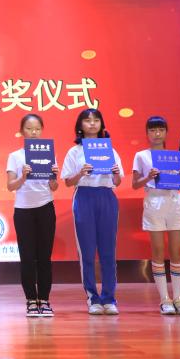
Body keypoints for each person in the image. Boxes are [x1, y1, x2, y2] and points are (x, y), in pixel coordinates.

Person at [61, 108, 123, 315]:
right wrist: (81, 173)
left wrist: (115, 173)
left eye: (96, 120)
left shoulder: (110, 150)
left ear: (101, 124)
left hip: (106, 197)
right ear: (80, 125)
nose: (92, 124)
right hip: (84, 197)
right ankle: (92, 297)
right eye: (88, 120)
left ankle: (109, 298)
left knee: (108, 250)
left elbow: (117, 181)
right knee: (87, 251)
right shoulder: (75, 152)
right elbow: (68, 181)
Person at [131, 116, 180, 315]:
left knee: (176, 252)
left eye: (160, 130)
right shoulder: (141, 156)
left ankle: (179, 299)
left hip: (174, 203)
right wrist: (148, 177)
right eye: (152, 130)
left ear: (166, 132)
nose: (157, 134)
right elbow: (135, 184)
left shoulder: (175, 156)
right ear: (147, 133)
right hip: (154, 203)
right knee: (158, 251)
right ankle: (164, 299)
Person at [5, 114, 59, 317]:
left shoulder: (49, 154)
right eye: (29, 128)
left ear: (42, 130)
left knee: (44, 257)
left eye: (37, 129)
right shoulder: (15, 156)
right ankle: (31, 300)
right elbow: (10, 186)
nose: (33, 132)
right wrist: (23, 176)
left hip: (45, 207)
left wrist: (53, 176)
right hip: (23, 210)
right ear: (22, 131)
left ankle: (44, 299)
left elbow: (54, 186)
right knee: (27, 257)